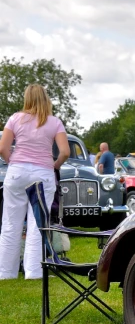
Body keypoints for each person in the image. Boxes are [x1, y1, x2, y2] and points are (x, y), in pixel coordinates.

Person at [0, 84, 69, 279]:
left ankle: (5, 273)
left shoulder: (15, 119)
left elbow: (3, 147)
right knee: (37, 224)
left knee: (10, 224)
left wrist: (12, 161)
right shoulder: (54, 122)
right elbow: (65, 152)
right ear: (46, 99)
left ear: (27, 98)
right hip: (43, 173)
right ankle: (33, 271)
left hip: (17, 173)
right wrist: (54, 165)